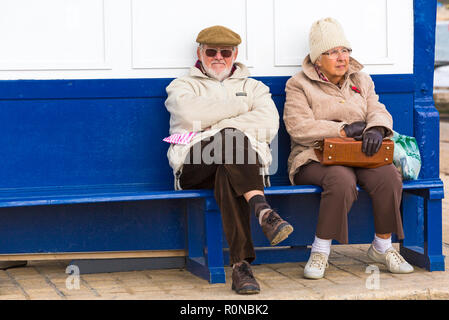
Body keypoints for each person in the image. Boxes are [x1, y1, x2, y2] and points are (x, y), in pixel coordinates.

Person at [164, 25, 293, 294]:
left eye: (225, 52)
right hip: (195, 163)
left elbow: (268, 124)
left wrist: (209, 125)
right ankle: (262, 208)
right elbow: (188, 114)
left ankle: (241, 267)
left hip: (239, 166)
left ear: (235, 55)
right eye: (211, 51)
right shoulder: (183, 85)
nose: (218, 57)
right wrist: (237, 112)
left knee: (228, 168)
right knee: (230, 138)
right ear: (200, 53)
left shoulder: (254, 86)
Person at [283, 17, 414, 279]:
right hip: (312, 157)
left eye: (345, 50)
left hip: (359, 154)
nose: (341, 57)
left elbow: (378, 109)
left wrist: (377, 128)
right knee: (341, 179)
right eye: (332, 52)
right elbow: (298, 127)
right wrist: (341, 130)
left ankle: (382, 246)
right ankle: (320, 251)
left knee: (389, 176)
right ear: (318, 59)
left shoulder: (361, 79)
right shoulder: (298, 84)